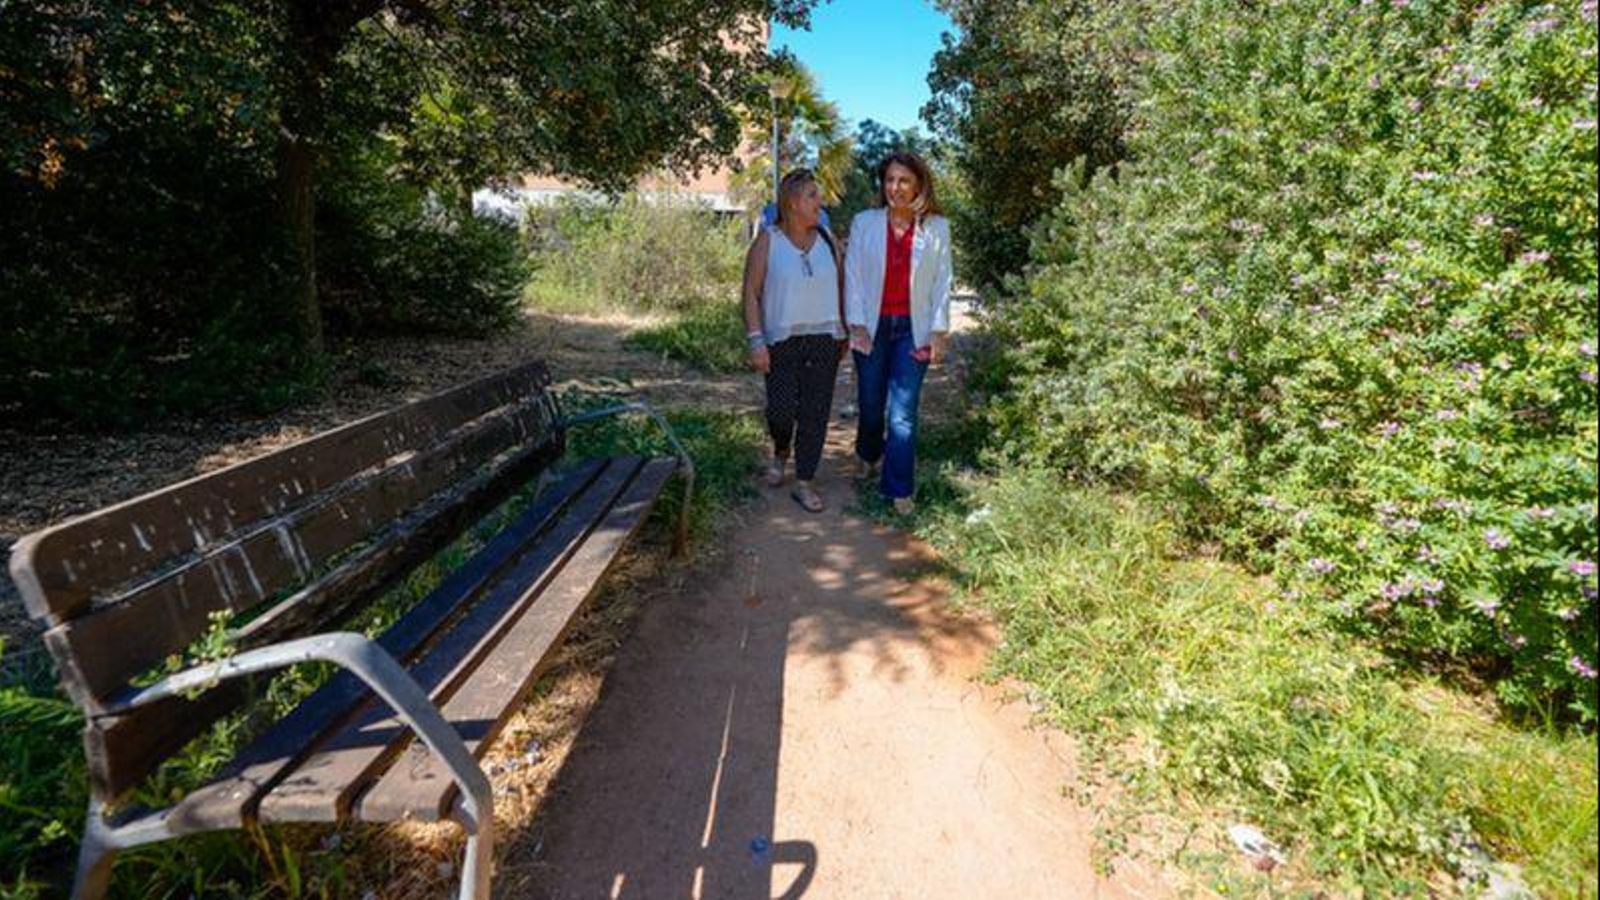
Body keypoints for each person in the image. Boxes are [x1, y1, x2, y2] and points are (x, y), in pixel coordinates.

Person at [843, 152, 954, 516]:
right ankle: (868, 453)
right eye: (890, 180)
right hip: (871, 327)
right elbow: (854, 275)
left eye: (904, 181)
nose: (896, 188)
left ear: (918, 185)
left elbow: (942, 282)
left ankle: (899, 488)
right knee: (871, 405)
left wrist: (938, 331)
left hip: (913, 330)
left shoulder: (937, 227)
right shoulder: (865, 222)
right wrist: (856, 324)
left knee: (902, 414)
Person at [742, 169, 846, 513]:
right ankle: (781, 450)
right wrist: (756, 340)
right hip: (781, 340)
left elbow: (845, 287)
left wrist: (845, 328)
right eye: (813, 196)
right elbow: (751, 293)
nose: (821, 202)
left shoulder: (830, 240)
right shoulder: (768, 241)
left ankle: (804, 481)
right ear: (792, 202)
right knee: (781, 411)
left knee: (816, 413)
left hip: (824, 338)